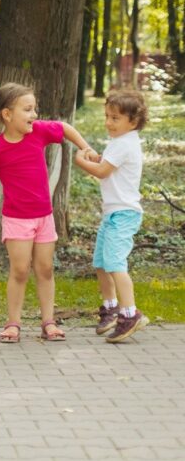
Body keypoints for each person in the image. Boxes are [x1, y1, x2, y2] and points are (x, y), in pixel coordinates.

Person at [0, 82, 98, 343]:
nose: (34, 115)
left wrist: (85, 147)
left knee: (45, 268)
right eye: (27, 109)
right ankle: (13, 323)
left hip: (44, 217)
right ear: (7, 114)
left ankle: (49, 322)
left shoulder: (38, 132)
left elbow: (65, 128)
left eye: (34, 109)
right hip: (16, 219)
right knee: (20, 270)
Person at [73, 89, 148, 343]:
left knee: (115, 264)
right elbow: (107, 163)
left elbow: (103, 171)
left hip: (123, 214)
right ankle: (111, 308)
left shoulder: (125, 143)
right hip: (113, 213)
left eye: (115, 118)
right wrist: (95, 157)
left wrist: (81, 161)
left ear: (133, 121)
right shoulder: (121, 142)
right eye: (106, 116)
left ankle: (130, 314)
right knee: (102, 263)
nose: (108, 122)